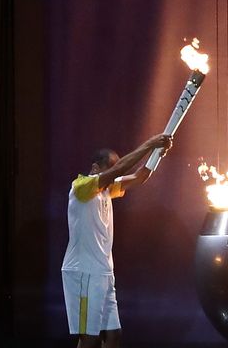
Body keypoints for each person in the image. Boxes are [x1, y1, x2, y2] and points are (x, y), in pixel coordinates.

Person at [61, 134, 172, 348]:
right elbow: (120, 170)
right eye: (111, 168)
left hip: (103, 273)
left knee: (113, 335)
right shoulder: (81, 187)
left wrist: (157, 153)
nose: (115, 174)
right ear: (95, 168)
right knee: (89, 339)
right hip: (83, 273)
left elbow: (140, 177)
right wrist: (150, 144)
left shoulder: (106, 190)